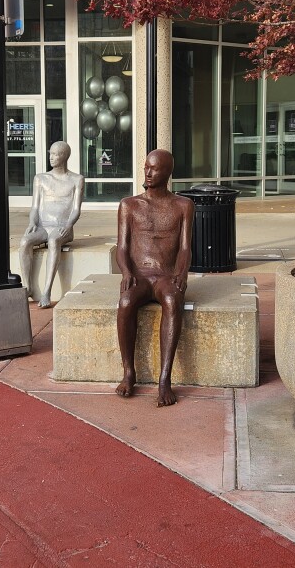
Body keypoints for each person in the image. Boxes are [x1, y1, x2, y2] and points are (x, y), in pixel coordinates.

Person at [115, 149, 194, 407]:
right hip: (139, 275)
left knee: (172, 299)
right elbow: (122, 248)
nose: (148, 173)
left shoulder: (183, 206)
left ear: (168, 173)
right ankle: (129, 372)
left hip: (165, 276)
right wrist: (127, 272)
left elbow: (184, 248)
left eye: (154, 169)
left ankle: (164, 380)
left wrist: (181, 273)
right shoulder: (129, 205)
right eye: (146, 167)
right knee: (126, 303)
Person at [19, 141, 84, 308]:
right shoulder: (40, 178)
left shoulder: (77, 180)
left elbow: (76, 209)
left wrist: (69, 225)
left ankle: (47, 291)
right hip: (42, 226)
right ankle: (28, 287)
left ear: (65, 157)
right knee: (25, 241)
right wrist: (32, 222)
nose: (52, 157)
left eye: (56, 154)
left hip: (63, 227)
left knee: (54, 240)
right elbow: (35, 207)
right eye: (51, 154)